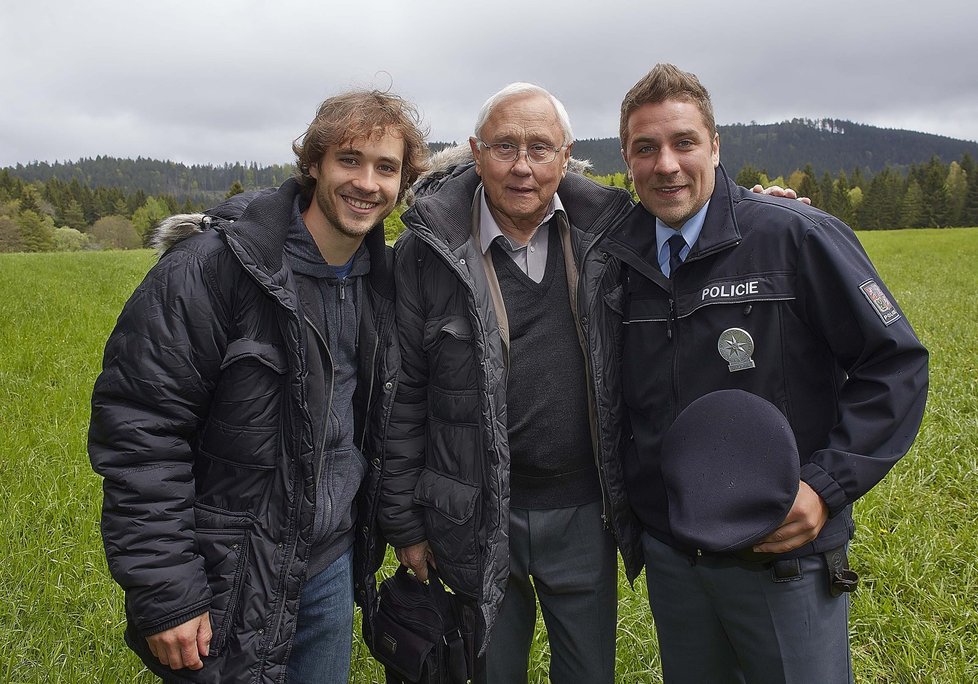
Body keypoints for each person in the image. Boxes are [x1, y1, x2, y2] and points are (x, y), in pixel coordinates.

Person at [601, 63, 929, 683]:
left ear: (716, 145)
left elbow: (894, 363)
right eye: (646, 148)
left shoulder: (794, 237)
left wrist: (825, 487)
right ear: (626, 158)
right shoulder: (619, 256)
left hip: (782, 555)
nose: (666, 164)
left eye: (684, 142)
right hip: (676, 560)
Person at [88, 89, 428, 683]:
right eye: (350, 160)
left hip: (329, 566)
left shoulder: (383, 280)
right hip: (226, 575)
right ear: (315, 163)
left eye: (387, 167)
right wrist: (168, 590)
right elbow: (141, 429)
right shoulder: (214, 268)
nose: (367, 183)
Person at [377, 83, 644, 683]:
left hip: (583, 513)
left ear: (565, 155)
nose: (522, 166)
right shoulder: (427, 255)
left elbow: (698, 229)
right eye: (504, 146)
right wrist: (406, 525)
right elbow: (404, 398)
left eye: (540, 148)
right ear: (475, 152)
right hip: (472, 517)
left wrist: (765, 209)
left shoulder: (610, 237)